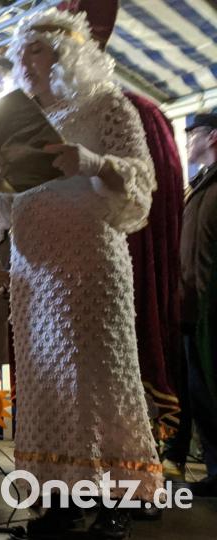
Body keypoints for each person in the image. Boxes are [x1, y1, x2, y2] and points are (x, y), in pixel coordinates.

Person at [0, 10, 161, 538]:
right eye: (19, 52)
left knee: (96, 379)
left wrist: (91, 162)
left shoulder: (105, 105)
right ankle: (59, 499)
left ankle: (113, 500)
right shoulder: (16, 124)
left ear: (68, 55)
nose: (24, 61)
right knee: (45, 386)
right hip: (33, 273)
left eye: (37, 50)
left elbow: (142, 179)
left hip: (90, 264)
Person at [177, 109, 217, 497]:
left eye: (194, 134)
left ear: (213, 137)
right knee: (201, 396)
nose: (189, 141)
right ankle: (216, 471)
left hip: (212, 309)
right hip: (192, 311)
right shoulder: (199, 186)